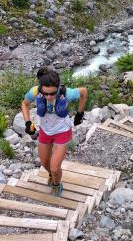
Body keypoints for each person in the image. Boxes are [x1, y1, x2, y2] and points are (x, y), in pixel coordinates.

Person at [21, 67, 87, 196]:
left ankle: (57, 185)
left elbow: (84, 92)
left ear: (57, 88)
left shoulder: (66, 93)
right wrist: (28, 122)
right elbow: (24, 104)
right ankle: (52, 175)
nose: (49, 97)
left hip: (62, 131)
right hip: (45, 131)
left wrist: (80, 113)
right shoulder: (34, 92)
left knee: (55, 167)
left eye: (52, 93)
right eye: (45, 94)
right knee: (45, 163)